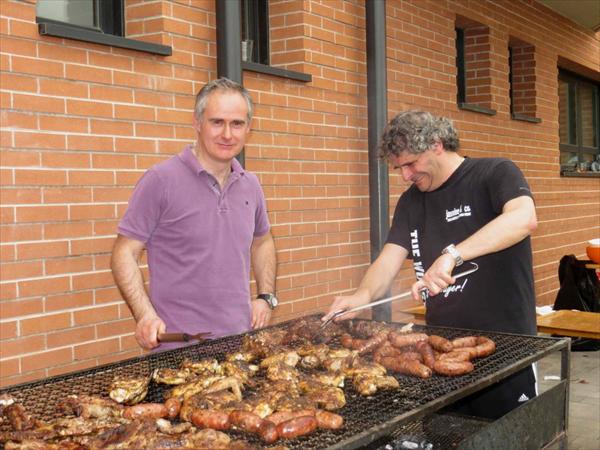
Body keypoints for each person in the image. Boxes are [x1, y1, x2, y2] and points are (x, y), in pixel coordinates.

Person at [323, 110, 538, 419]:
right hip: (437, 352)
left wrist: (451, 256)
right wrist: (362, 296)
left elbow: (523, 217)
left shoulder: (494, 173)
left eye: (410, 164)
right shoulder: (412, 201)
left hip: (507, 348)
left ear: (437, 144)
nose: (405, 176)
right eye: (398, 168)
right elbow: (388, 258)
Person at [111, 78, 277, 351]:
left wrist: (266, 296)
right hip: (177, 352)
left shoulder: (251, 184)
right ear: (197, 123)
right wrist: (145, 314)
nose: (227, 134)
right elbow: (123, 252)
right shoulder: (161, 180)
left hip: (238, 346)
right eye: (217, 122)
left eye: (236, 124)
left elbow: (263, 241)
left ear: (248, 128)